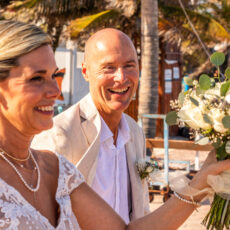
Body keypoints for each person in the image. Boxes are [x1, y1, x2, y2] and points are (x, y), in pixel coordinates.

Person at [1, 19, 230, 230]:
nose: (55, 91)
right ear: (86, 72)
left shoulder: (58, 170)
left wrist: (202, 180)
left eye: (53, 76)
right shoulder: (57, 136)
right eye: (36, 78)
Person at [32, 28, 149, 222]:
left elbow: (140, 208)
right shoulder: (59, 134)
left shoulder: (134, 132)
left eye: (129, 65)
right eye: (109, 67)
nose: (121, 77)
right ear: (86, 72)